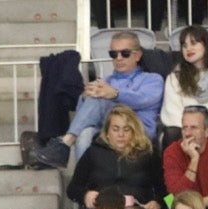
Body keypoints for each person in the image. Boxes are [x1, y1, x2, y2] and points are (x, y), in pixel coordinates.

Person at [56, 30, 162, 163]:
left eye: (125, 53)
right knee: (85, 133)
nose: (118, 58)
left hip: (138, 130)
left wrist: (114, 94)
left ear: (138, 55)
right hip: (108, 130)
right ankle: (85, 181)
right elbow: (83, 115)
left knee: (98, 97)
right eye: (113, 54)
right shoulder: (105, 81)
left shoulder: (152, 79)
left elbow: (142, 99)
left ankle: (65, 143)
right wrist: (84, 97)